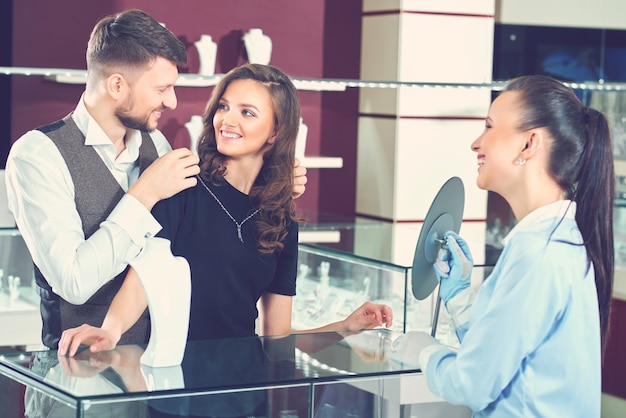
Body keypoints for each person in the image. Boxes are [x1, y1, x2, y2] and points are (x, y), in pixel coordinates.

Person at [4, 9, 308, 350]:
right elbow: (74, 282)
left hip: (156, 373)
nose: (172, 101)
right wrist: (144, 193)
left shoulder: (157, 145)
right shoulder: (38, 155)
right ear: (117, 85)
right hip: (83, 370)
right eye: (162, 88)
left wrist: (279, 175)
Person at [58, 63, 392, 357]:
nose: (227, 120)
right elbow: (144, 277)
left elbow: (278, 340)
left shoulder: (282, 217)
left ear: (275, 132)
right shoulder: (183, 185)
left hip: (245, 394)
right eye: (224, 107)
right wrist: (111, 330)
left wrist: (346, 327)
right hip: (174, 388)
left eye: (247, 112)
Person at [391, 74, 614, 417]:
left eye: (490, 127)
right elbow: (507, 354)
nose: (476, 144)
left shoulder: (538, 254)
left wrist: (424, 351)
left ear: (528, 145)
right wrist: (460, 299)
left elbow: (474, 384)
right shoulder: (556, 240)